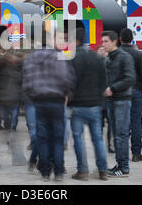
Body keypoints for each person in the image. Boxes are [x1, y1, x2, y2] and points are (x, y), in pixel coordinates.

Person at [22, 31, 75, 182]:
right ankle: (58, 171)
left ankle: (45, 172)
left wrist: (33, 97)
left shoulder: (32, 58)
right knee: (58, 138)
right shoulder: (60, 57)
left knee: (43, 137)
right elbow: (69, 79)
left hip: (40, 101)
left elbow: (27, 83)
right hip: (57, 101)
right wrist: (66, 95)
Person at [69, 28, 108, 181]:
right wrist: (98, 98)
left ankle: (83, 171)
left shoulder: (72, 58)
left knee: (78, 138)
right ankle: (103, 170)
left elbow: (70, 81)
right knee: (97, 138)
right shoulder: (97, 57)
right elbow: (104, 81)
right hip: (94, 105)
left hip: (78, 104)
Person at [102, 31, 135, 177]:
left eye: (106, 41)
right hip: (111, 100)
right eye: (102, 41)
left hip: (122, 99)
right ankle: (119, 164)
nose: (103, 44)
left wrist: (112, 88)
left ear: (115, 41)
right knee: (116, 134)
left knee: (121, 134)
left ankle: (124, 168)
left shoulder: (124, 57)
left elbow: (130, 78)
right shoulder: (108, 58)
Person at [119, 28, 142, 162]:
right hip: (136, 90)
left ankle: (121, 152)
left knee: (121, 122)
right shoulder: (138, 55)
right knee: (136, 121)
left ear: (120, 39)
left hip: (119, 91)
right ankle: (136, 153)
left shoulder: (116, 54)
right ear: (132, 39)